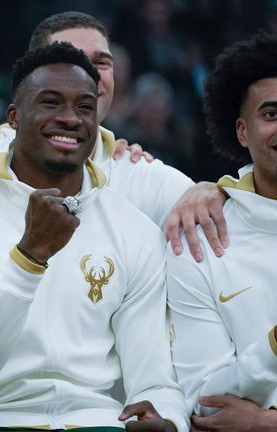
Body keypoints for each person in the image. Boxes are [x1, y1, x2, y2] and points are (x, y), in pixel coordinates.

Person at [0, 42, 188, 432]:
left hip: (96, 421)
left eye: (84, 107)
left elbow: (155, 379)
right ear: (14, 117)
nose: (70, 119)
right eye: (50, 102)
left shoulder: (132, 228)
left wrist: (169, 419)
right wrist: (28, 259)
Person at [0, 11, 227, 264]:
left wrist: (211, 190)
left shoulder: (140, 173)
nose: (87, 75)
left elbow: (242, 225)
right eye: (70, 59)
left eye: (101, 63)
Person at [166, 31, 277, 432]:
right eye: (271, 114)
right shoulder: (198, 240)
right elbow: (205, 405)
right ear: (242, 131)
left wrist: (265, 423)